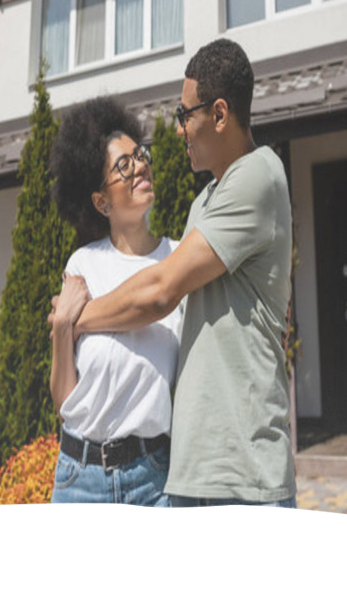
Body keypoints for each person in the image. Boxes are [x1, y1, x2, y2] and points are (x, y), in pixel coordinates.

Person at [58, 38, 296, 507]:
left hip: (242, 472)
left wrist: (73, 318)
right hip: (190, 473)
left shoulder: (258, 174)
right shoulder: (203, 203)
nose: (180, 128)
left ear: (220, 114)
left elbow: (161, 291)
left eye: (185, 114)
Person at [47, 96, 181, 506]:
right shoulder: (84, 265)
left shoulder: (177, 262)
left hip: (153, 478)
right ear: (101, 202)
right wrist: (60, 329)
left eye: (140, 156)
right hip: (79, 476)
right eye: (123, 165)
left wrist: (77, 319)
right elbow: (64, 400)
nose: (139, 166)